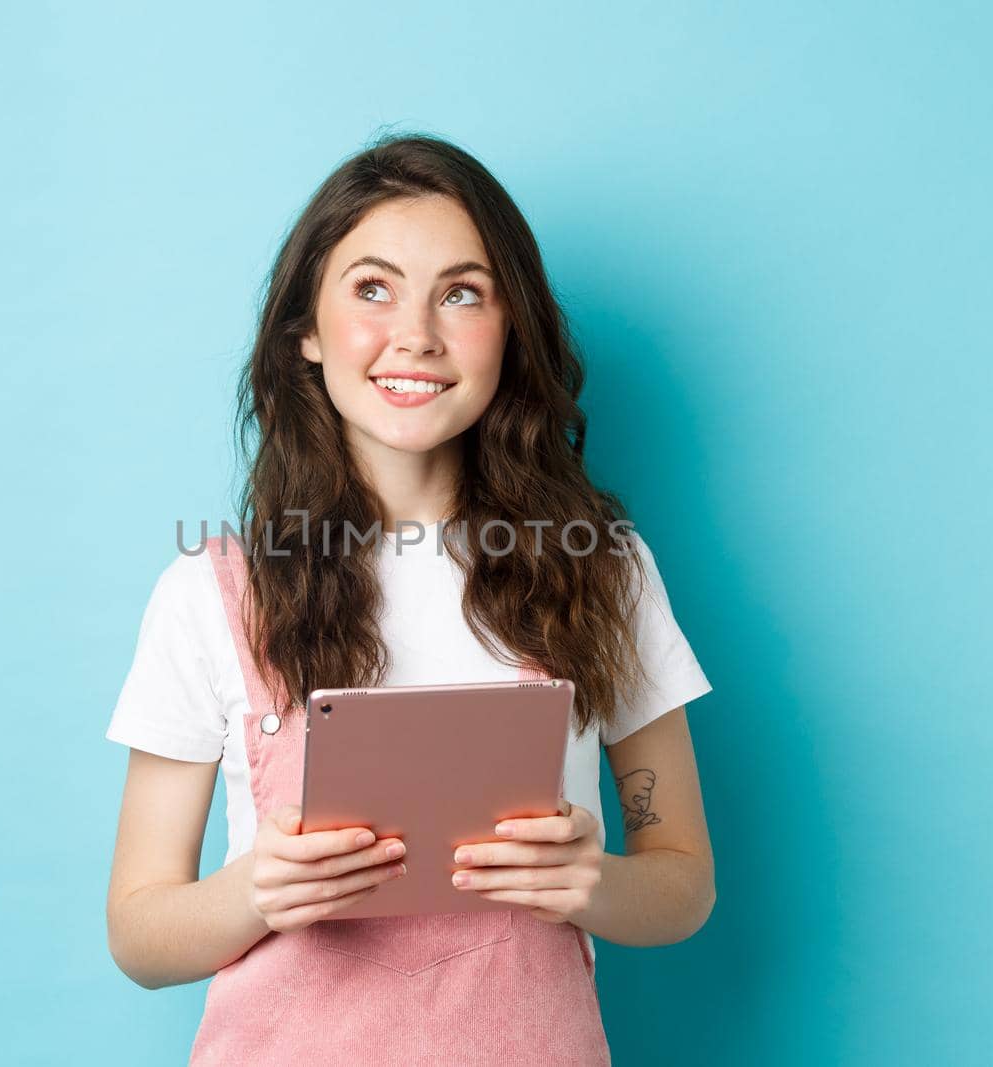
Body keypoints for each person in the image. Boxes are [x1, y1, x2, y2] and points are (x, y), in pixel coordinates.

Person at [103, 132, 717, 1065]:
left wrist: (586, 880)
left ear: (511, 331)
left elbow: (684, 886)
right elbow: (139, 936)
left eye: (462, 293)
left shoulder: (605, 570)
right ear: (306, 328)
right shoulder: (210, 593)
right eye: (372, 288)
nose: (417, 334)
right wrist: (257, 890)